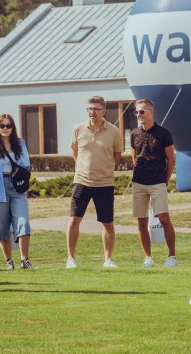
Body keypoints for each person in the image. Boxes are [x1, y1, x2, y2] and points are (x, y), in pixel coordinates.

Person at [67, 96, 124, 269]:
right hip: (81, 182)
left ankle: (108, 259)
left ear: (103, 111)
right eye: (90, 109)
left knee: (107, 223)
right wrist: (83, 167)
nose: (92, 112)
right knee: (74, 220)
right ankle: (71, 259)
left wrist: (105, 168)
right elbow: (74, 151)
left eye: (96, 109)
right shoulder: (78, 129)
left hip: (104, 183)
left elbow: (117, 154)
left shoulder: (113, 131)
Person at [0, 114, 34, 270]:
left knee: (23, 221)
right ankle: (8, 261)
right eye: (1, 126)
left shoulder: (20, 144)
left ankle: (25, 260)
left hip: (17, 185)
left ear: (13, 127)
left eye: (8, 125)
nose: (5, 129)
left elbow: (26, 164)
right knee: (1, 225)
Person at [130, 99, 178, 267]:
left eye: (142, 112)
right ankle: (148, 257)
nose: (139, 115)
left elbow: (171, 160)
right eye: (136, 112)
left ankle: (171, 256)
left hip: (158, 183)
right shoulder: (134, 133)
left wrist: (164, 180)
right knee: (141, 221)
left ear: (151, 112)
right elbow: (134, 156)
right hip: (138, 183)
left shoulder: (164, 133)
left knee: (164, 219)